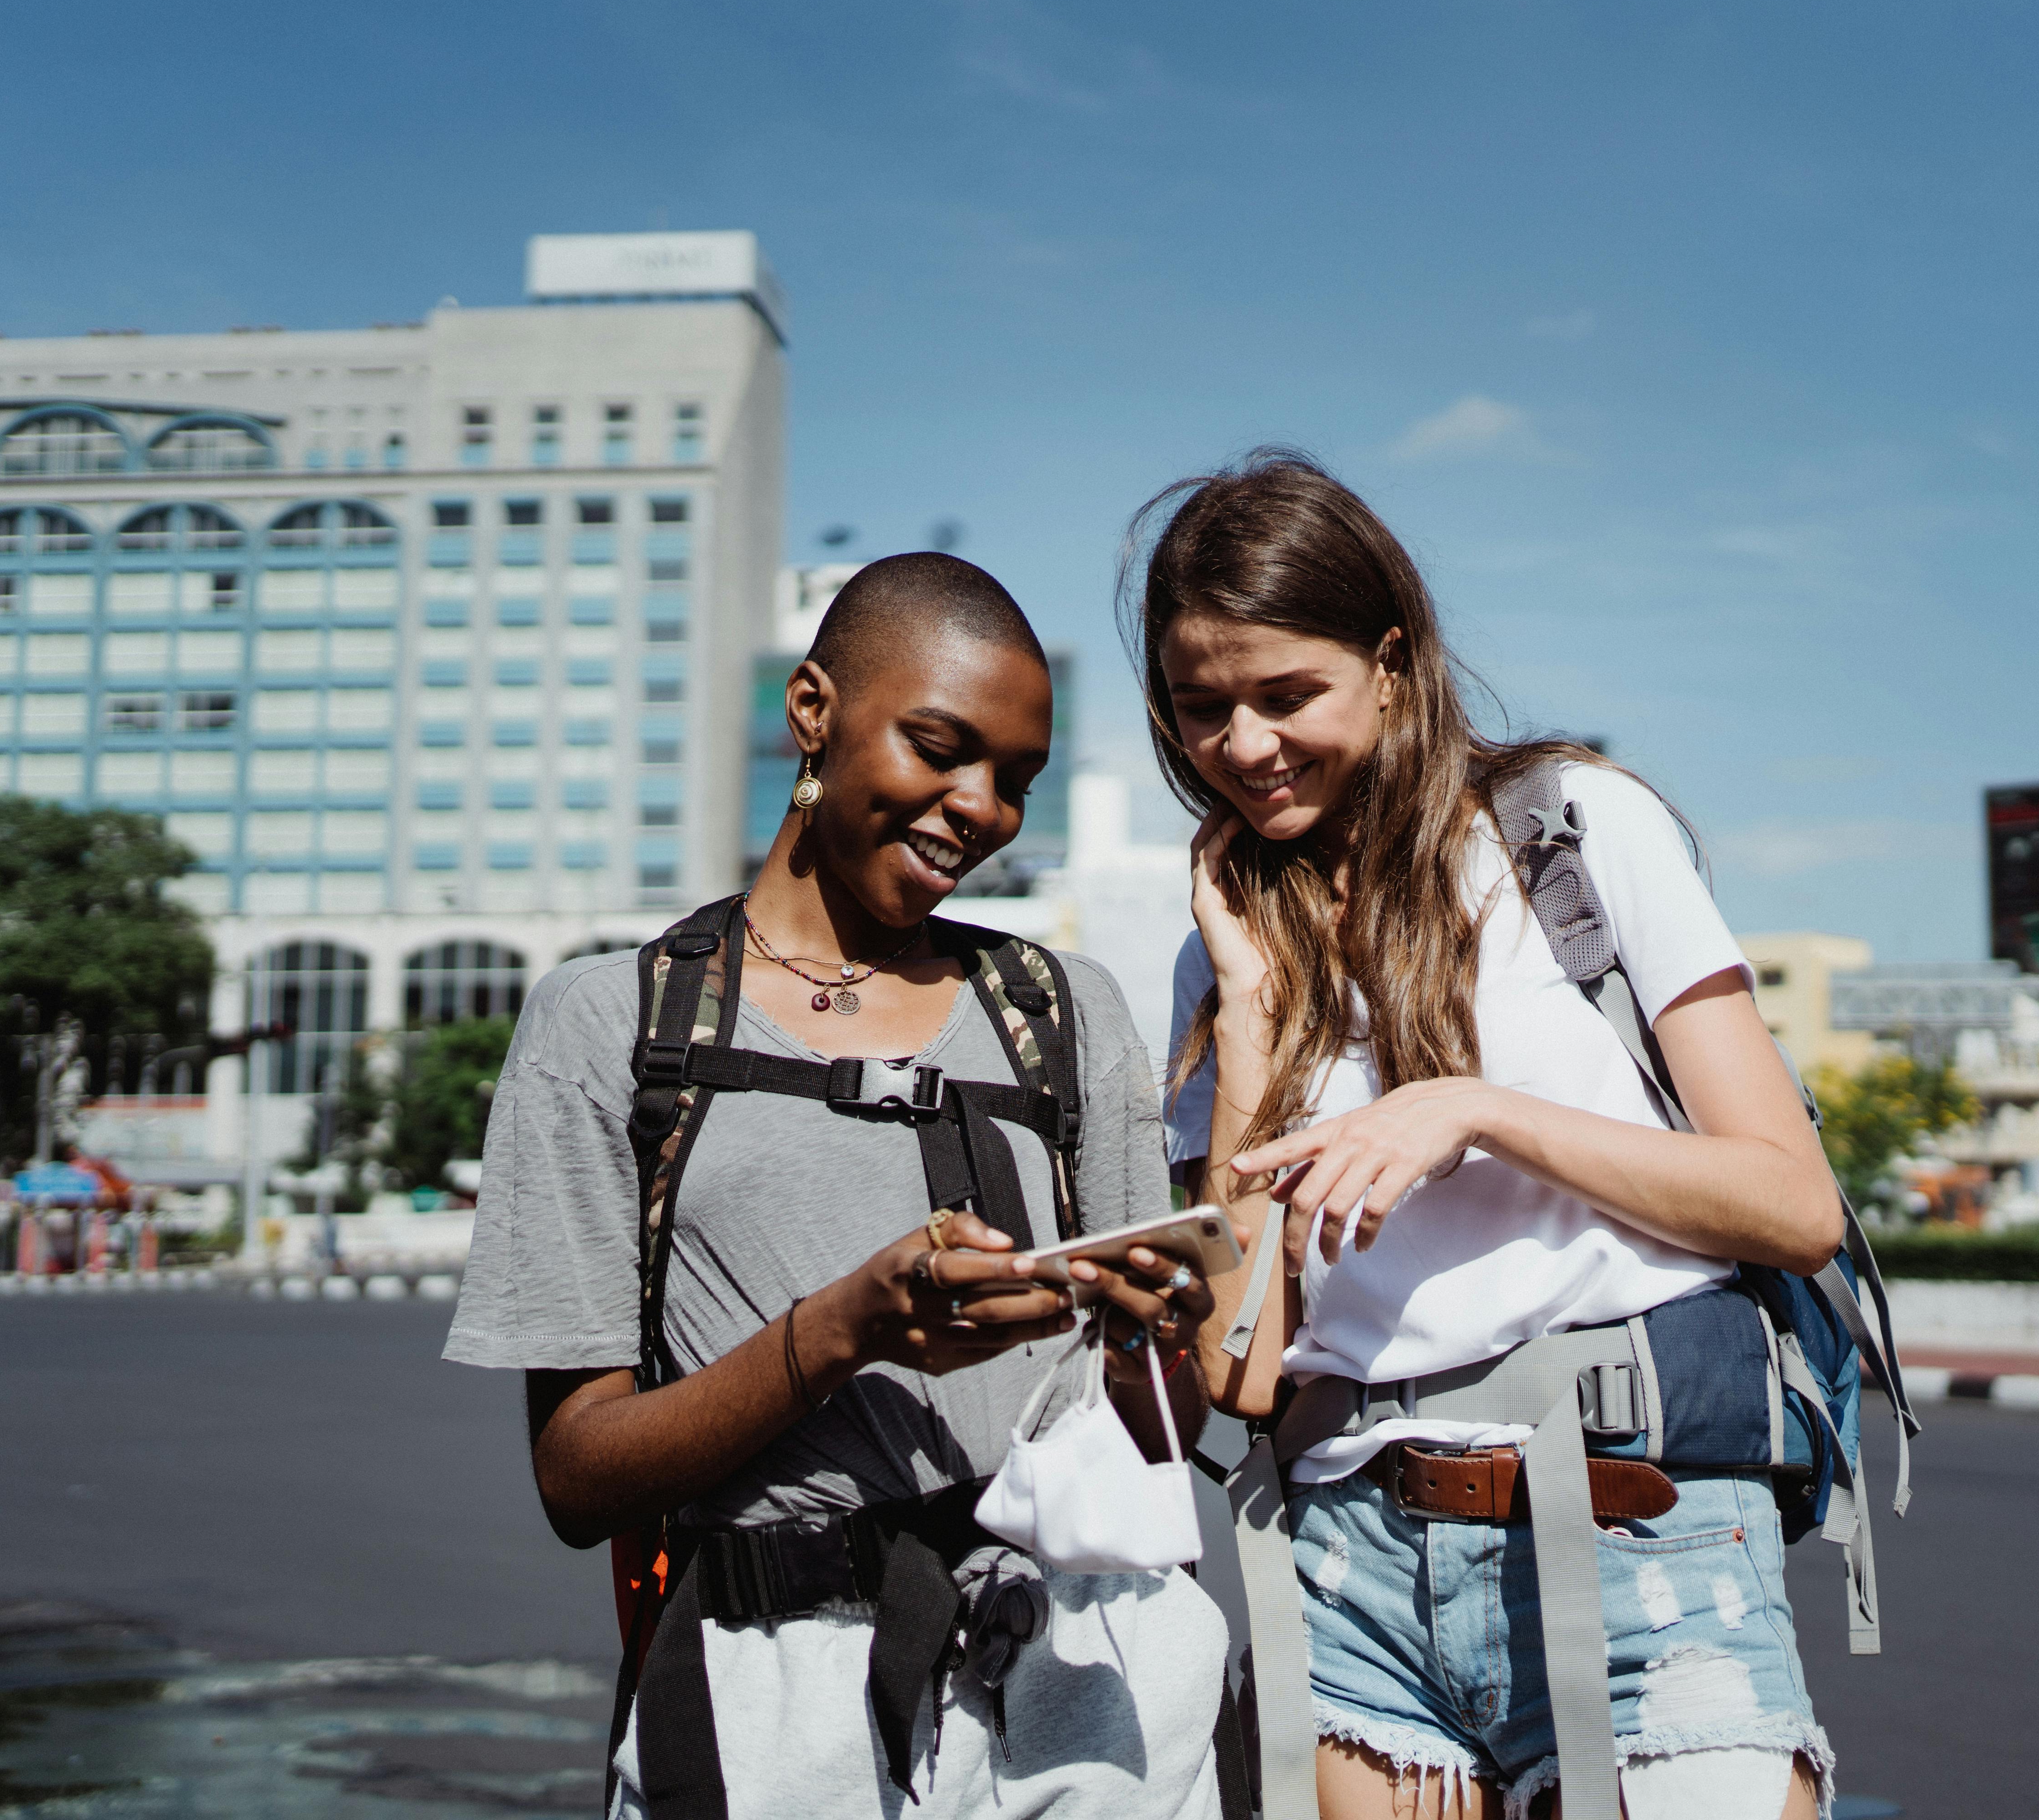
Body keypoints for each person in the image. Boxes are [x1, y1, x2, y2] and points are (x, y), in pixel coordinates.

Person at [445, 552, 1229, 1819]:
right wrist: (842, 1331)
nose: (980, 809)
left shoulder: (1062, 1013)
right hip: (776, 1699)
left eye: (1016, 781)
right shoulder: (612, 1024)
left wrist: (1151, 1338)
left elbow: (1157, 1432)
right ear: (814, 709)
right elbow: (578, 1480)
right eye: (941, 749)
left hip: (1084, 1677)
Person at [1129, 452, 1845, 1820]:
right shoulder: (1221, 953)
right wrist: (1247, 1018)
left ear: (1391, 663)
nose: (1244, 746)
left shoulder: (1572, 831)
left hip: (1640, 1533)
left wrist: (1477, 1109)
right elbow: (1240, 1371)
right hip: (1346, 1571)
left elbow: (1791, 1206)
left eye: (1286, 695)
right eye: (1201, 708)